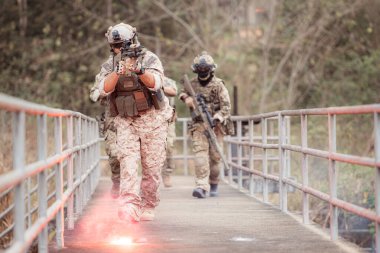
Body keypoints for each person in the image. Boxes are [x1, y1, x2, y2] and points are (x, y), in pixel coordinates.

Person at [94, 23, 173, 222]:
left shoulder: (150, 58)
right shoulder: (110, 64)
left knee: (152, 169)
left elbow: (156, 83)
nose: (120, 49)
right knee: (127, 164)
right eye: (116, 46)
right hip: (125, 120)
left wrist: (139, 70)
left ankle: (148, 203)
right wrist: (118, 72)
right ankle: (129, 205)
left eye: (123, 45)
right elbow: (102, 89)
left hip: (152, 119)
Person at [179, 51, 233, 198]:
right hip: (198, 126)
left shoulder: (218, 85)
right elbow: (182, 92)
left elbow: (226, 107)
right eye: (200, 70)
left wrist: (218, 117)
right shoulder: (192, 84)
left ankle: (214, 182)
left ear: (211, 69)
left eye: (205, 70)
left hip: (216, 126)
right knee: (200, 156)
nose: (203, 73)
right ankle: (202, 186)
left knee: (215, 158)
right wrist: (186, 99)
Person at [90, 72, 120, 200]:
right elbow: (94, 95)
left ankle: (132, 188)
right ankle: (117, 181)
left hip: (135, 121)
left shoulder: (140, 63)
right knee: (114, 155)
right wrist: (105, 90)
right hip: (113, 123)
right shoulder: (107, 69)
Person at [162, 77, 178, 187]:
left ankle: (167, 174)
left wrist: (157, 86)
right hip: (149, 120)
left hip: (167, 120)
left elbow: (174, 91)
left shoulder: (168, 81)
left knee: (169, 146)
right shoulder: (142, 78)